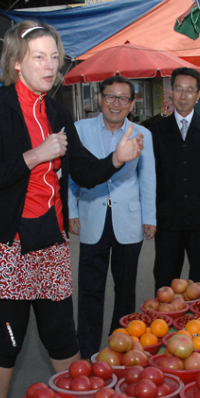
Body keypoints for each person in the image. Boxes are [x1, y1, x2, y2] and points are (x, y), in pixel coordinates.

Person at [0, 21, 143, 398]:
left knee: (64, 340)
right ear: (17, 61)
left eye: (55, 57)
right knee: (6, 345)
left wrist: (117, 158)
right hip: (3, 246)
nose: (49, 65)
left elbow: (82, 171)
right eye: (39, 57)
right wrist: (35, 155)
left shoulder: (58, 111)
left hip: (49, 241)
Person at [68, 76, 156, 359]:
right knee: (90, 288)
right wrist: (70, 209)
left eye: (122, 98)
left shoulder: (142, 134)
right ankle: (88, 350)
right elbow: (69, 175)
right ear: (99, 99)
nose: (115, 104)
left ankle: (121, 346)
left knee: (125, 287)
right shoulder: (79, 130)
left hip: (128, 220)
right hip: (91, 216)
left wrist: (149, 216)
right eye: (110, 97)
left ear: (132, 103)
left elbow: (148, 178)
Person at [150, 67, 200, 290]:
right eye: (179, 89)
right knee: (165, 276)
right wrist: (149, 213)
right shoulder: (157, 130)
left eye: (189, 90)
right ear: (170, 93)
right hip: (167, 216)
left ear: (198, 95)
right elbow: (150, 174)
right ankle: (165, 320)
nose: (183, 96)